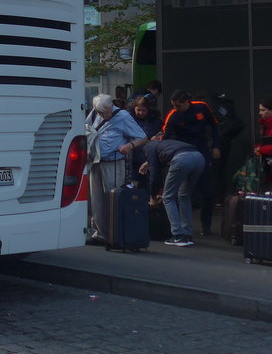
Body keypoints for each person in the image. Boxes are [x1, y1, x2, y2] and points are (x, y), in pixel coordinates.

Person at [85, 93, 149, 244]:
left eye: (103, 112)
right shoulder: (95, 113)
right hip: (96, 161)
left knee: (112, 199)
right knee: (96, 200)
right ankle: (100, 234)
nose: (101, 115)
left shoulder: (123, 117)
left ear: (110, 107)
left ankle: (116, 233)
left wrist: (129, 145)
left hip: (113, 163)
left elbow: (142, 137)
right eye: (98, 112)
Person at [161, 89, 221, 236]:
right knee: (183, 192)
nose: (176, 108)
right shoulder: (173, 116)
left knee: (207, 190)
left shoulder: (201, 107)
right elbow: (165, 135)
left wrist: (216, 146)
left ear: (186, 102)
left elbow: (214, 125)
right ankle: (183, 226)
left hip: (202, 150)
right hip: (184, 151)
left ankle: (205, 225)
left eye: (178, 105)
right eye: (174, 105)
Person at [140, 135, 206, 247]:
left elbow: (154, 174)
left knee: (168, 197)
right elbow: (164, 157)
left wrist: (153, 196)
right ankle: (187, 234)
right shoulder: (167, 143)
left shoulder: (149, 147)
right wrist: (149, 163)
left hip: (181, 159)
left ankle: (178, 235)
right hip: (199, 158)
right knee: (184, 195)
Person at [127, 96, 161, 181]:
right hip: (132, 158)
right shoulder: (128, 120)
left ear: (148, 110)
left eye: (143, 110)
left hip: (148, 158)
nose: (141, 113)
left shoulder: (155, 122)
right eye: (138, 110)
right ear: (134, 109)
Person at [255, 98, 272, 188]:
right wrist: (259, 148)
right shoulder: (265, 125)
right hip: (268, 164)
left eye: (263, 110)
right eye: (260, 110)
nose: (260, 113)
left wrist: (261, 149)